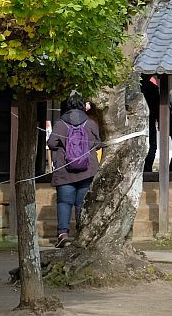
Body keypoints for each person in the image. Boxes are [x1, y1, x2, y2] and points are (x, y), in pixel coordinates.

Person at [48, 92, 102, 247]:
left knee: (64, 202)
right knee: (82, 203)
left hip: (65, 171)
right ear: (82, 106)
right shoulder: (90, 123)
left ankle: (63, 235)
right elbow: (97, 143)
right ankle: (81, 234)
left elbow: (52, 144)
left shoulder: (60, 124)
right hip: (87, 170)